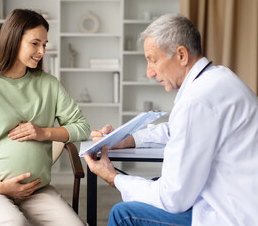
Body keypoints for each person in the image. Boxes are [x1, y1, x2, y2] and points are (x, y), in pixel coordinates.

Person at [84, 14, 258, 226]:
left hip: (230, 215)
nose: (149, 72)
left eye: (153, 60)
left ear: (182, 55)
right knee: (154, 185)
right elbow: (174, 130)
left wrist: (113, 178)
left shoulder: (198, 99)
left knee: (124, 215)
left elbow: (173, 198)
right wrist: (125, 139)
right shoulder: (218, 78)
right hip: (242, 201)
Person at [0, 9, 90, 226]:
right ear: (13, 39)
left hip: (37, 192)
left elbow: (82, 127)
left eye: (44, 44)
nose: (42, 51)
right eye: (35, 43)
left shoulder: (48, 84)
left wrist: (44, 133)